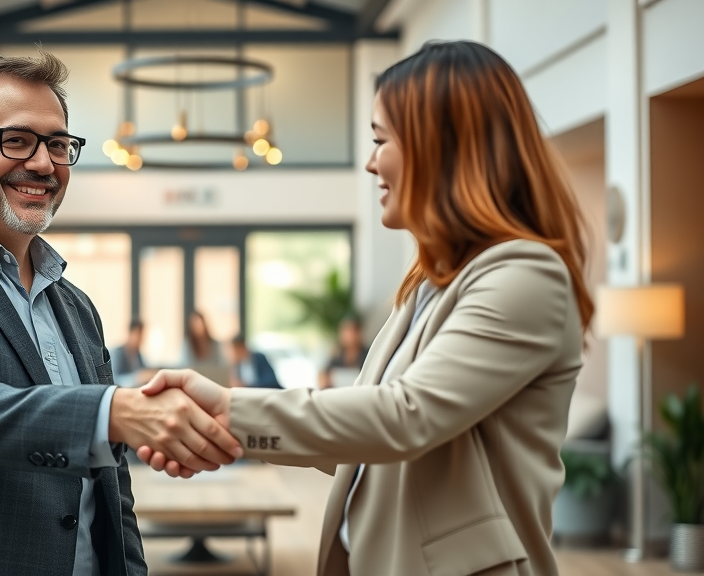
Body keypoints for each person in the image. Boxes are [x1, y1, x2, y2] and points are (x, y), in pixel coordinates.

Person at [138, 40, 594, 576]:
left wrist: (230, 411)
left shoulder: (524, 275)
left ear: (441, 147)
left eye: (382, 140)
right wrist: (229, 429)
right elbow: (365, 435)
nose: (370, 162)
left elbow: (404, 416)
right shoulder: (429, 284)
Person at [0, 53, 240, 576]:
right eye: (16, 140)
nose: (45, 164)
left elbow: (112, 487)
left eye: (58, 144)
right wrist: (115, 412)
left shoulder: (75, 305)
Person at [317, 315, 368, 389]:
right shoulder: (336, 358)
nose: (350, 335)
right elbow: (324, 377)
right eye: (347, 331)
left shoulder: (368, 354)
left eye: (353, 331)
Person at [110, 318, 153, 387]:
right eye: (139, 335)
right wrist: (136, 378)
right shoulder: (118, 353)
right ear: (131, 333)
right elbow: (115, 379)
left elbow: (144, 371)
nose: (141, 339)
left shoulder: (138, 355)